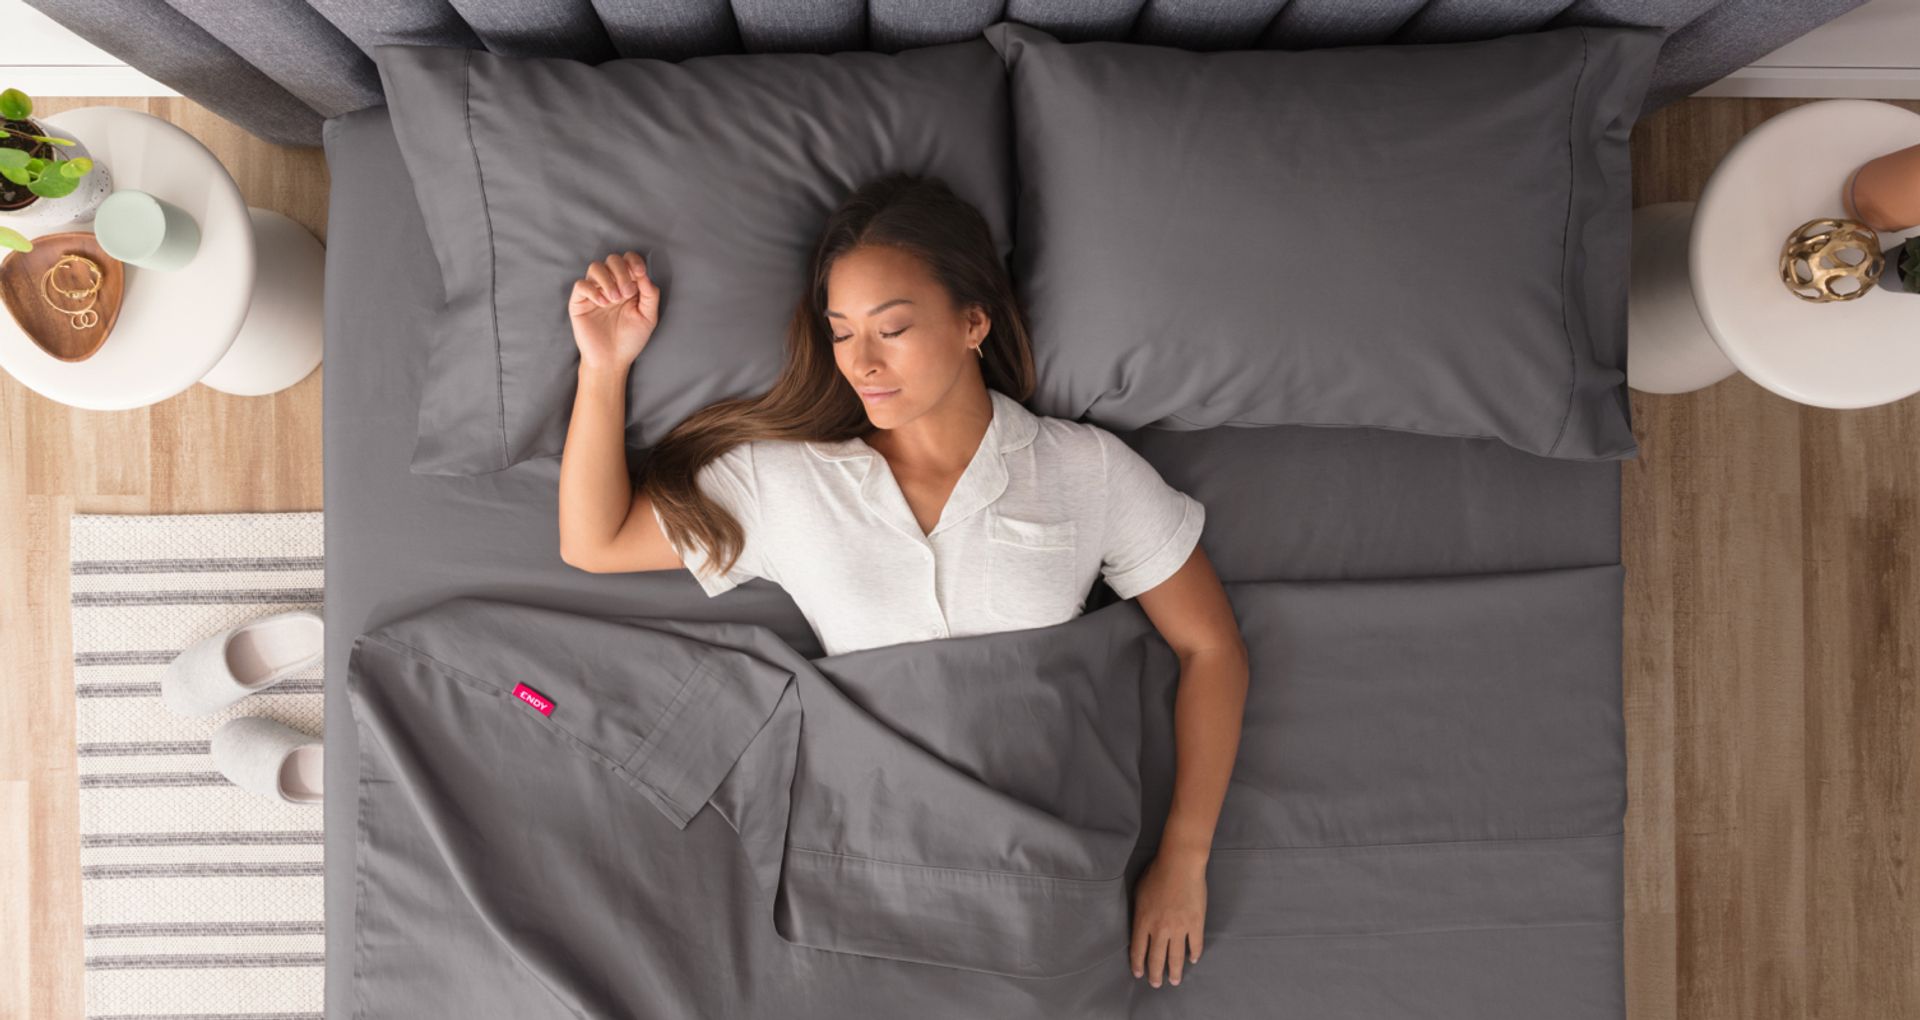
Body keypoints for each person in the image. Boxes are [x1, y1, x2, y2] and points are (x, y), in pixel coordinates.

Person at [556, 172, 1249, 991]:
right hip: (870, 865)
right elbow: (594, 542)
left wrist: (1184, 857)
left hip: (1036, 872)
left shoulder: (1083, 467)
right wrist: (603, 367)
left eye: (892, 329)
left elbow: (1210, 647)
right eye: (843, 333)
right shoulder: (786, 485)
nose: (863, 363)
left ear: (973, 321)